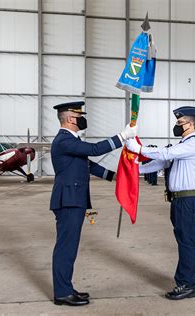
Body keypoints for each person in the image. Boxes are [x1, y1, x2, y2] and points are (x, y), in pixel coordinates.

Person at [50, 101, 137, 307]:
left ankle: (66, 288)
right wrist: (122, 137)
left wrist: (115, 177)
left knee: (70, 248)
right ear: (71, 118)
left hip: (74, 200)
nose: (82, 119)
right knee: (66, 248)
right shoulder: (64, 140)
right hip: (68, 201)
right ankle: (62, 293)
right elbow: (96, 149)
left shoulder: (70, 141)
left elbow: (87, 164)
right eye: (79, 115)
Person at [126, 106, 195, 301]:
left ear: (190, 124)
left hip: (190, 200)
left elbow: (164, 154)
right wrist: (136, 168)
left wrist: (138, 149)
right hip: (182, 200)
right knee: (189, 241)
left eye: (180, 123)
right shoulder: (181, 146)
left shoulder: (193, 144)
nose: (177, 126)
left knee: (186, 242)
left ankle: (185, 284)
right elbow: (160, 163)